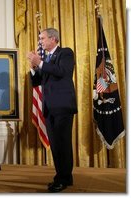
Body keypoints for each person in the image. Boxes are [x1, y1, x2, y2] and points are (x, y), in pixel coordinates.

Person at [27, 28, 77, 193]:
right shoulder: (46, 59)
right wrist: (34, 67)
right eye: (40, 39)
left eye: (42, 38)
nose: (40, 41)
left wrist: (40, 62)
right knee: (55, 145)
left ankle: (63, 178)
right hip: (49, 107)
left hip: (63, 106)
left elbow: (63, 72)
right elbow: (37, 82)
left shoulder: (65, 53)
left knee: (63, 143)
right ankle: (63, 176)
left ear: (53, 39)